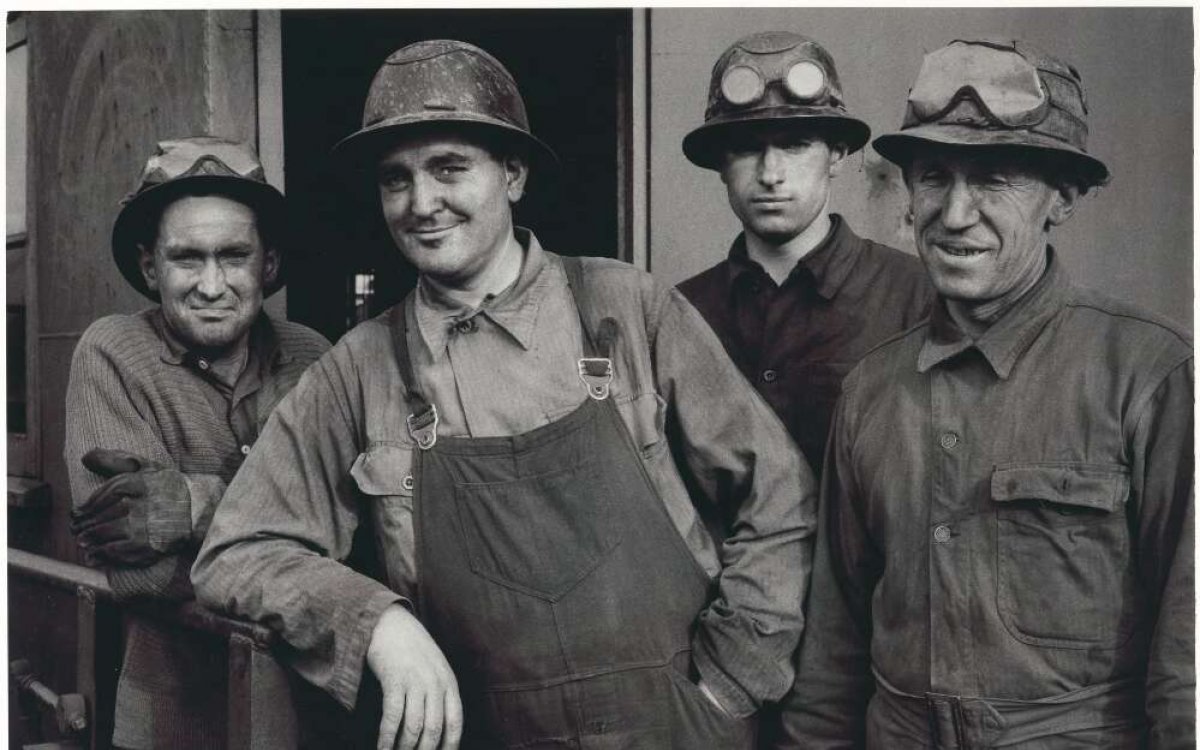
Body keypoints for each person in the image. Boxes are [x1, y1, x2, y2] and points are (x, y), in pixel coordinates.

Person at [192, 40, 817, 750]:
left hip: (677, 726)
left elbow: (781, 494)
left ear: (513, 174)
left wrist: (734, 679)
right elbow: (236, 550)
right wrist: (375, 622)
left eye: (449, 169)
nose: (422, 203)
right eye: (396, 180)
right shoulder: (358, 370)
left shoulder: (627, 309)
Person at [772, 38, 1194, 749]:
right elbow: (834, 658)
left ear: (1062, 198)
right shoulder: (872, 390)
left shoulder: (1148, 373)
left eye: (994, 179)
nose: (955, 213)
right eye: (934, 176)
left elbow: (1192, 651)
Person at [65, 136, 330, 749]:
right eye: (187, 258)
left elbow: (355, 529)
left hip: (313, 715)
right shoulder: (112, 353)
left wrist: (197, 504)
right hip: (177, 721)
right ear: (151, 266)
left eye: (234, 256)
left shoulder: (315, 358)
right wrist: (308, 566)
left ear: (267, 264)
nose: (212, 285)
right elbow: (139, 572)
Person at [678, 31, 932, 476]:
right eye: (746, 148)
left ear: (836, 155)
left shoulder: (917, 297)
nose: (770, 173)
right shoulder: (680, 312)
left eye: (794, 145)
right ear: (721, 164)